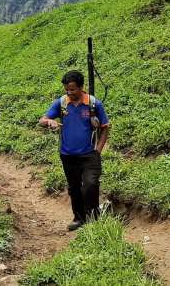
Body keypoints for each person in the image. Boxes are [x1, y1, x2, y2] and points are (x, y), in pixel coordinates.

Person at [39, 70, 111, 231]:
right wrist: (50, 122)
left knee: (91, 185)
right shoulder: (62, 103)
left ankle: (93, 219)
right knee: (74, 187)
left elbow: (105, 128)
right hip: (67, 155)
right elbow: (42, 120)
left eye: (72, 89)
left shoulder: (94, 104)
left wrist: (98, 150)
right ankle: (79, 218)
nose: (69, 93)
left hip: (90, 154)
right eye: (66, 90)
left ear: (81, 87)